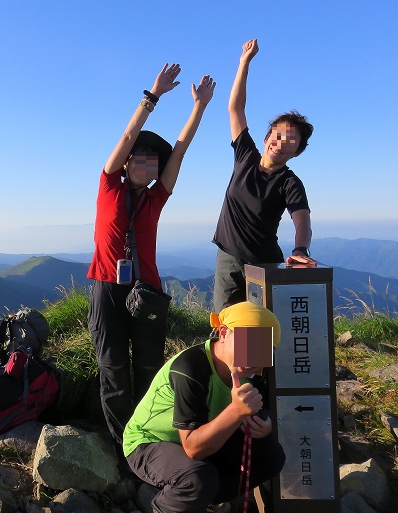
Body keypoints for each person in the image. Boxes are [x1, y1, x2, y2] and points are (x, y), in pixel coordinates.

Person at [87, 63, 216, 445]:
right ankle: (120, 443)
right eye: (137, 157)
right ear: (126, 162)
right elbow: (129, 133)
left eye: (151, 160)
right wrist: (153, 95)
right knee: (113, 368)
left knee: (147, 369)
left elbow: (181, 149)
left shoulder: (157, 197)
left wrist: (199, 107)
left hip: (147, 291)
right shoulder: (109, 184)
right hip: (107, 290)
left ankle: (145, 440)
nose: (145, 163)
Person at [123, 301, 286, 513]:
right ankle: (169, 505)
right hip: (149, 442)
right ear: (224, 333)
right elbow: (193, 448)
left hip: (202, 436)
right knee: (197, 479)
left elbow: (262, 407)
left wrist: (265, 423)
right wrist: (236, 411)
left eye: (262, 350)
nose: (252, 359)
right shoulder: (190, 368)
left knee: (271, 456)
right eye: (248, 344)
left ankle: (196, 500)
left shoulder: (253, 372)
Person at [212, 38, 316, 314]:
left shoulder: (290, 183)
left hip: (263, 264)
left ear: (296, 152)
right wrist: (243, 63)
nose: (281, 143)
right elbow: (236, 109)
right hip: (227, 258)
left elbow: (301, 218)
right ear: (268, 135)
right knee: (224, 326)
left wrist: (301, 250)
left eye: (290, 141)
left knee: (261, 331)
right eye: (278, 135)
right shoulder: (245, 155)